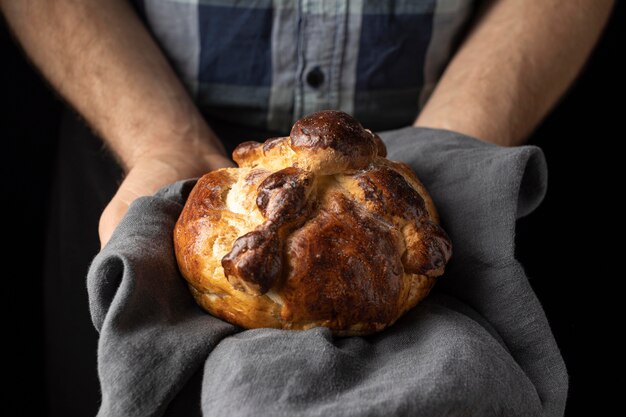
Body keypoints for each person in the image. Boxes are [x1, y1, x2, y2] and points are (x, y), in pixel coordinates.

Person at [0, 0, 614, 415]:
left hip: (450, 133)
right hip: (141, 130)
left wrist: (453, 141)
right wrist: (164, 143)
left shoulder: (408, 216)